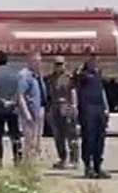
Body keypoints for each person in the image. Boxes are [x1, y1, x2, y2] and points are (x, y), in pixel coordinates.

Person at [74, 46, 112, 179]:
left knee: (100, 139)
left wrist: (106, 108)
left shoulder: (98, 73)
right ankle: (88, 166)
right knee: (88, 138)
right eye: (91, 56)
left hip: (99, 109)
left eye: (95, 57)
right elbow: (74, 89)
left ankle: (98, 166)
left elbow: (102, 91)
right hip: (87, 110)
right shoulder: (81, 73)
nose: (94, 59)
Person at [46, 56, 80, 169]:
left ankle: (74, 159)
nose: (58, 66)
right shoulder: (50, 78)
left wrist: (74, 106)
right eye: (57, 64)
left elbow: (73, 91)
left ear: (65, 64)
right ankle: (62, 158)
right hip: (55, 106)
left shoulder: (69, 78)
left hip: (66, 105)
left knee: (71, 134)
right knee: (58, 135)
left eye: (61, 64)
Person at [17, 52, 46, 163]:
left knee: (37, 140)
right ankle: (28, 163)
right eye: (36, 61)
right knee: (30, 140)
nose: (38, 64)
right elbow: (21, 95)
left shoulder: (37, 75)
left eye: (39, 61)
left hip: (39, 110)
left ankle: (35, 162)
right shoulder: (25, 75)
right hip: (30, 113)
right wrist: (27, 114)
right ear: (29, 61)